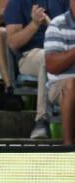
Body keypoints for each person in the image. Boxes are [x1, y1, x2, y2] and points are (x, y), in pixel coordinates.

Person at [4, 0, 69, 138]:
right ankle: (42, 120)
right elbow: (13, 43)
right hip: (30, 56)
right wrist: (34, 25)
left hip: (63, 52)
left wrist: (51, 24)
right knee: (47, 58)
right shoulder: (17, 3)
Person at [44, 1, 75, 145]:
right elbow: (52, 66)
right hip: (60, 84)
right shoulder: (57, 24)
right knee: (71, 84)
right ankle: (68, 146)